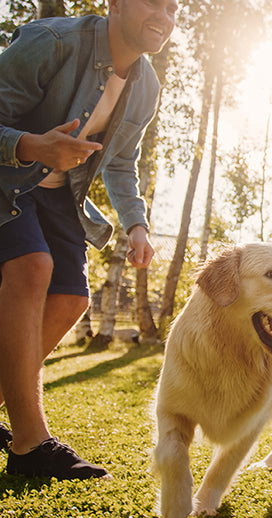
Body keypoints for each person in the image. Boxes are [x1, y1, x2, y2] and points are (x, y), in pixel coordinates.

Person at [0, 0, 177, 480]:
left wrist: (136, 223)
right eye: (151, 3)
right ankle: (30, 446)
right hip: (6, 181)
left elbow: (120, 163)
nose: (163, 15)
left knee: (72, 297)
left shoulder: (146, 87)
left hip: (59, 197)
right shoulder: (52, 42)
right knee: (32, 267)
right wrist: (32, 145)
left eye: (172, 6)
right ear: (115, 5)